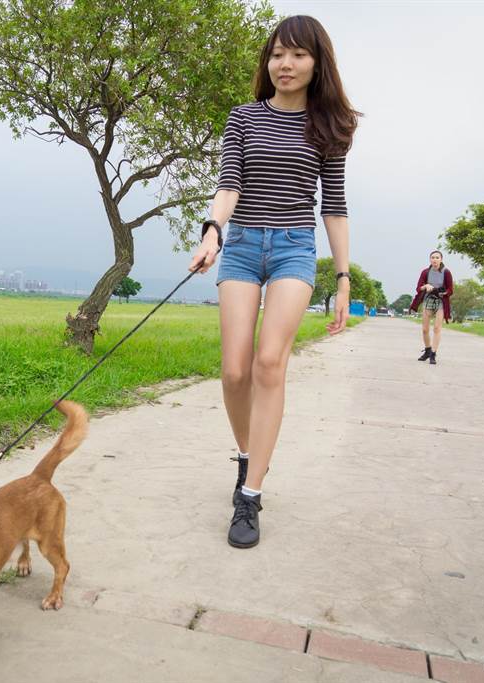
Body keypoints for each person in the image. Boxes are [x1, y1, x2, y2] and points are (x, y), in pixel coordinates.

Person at [188, 15, 357, 549]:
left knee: (268, 363)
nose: (285, 64)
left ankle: (250, 496)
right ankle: (246, 455)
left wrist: (344, 276)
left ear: (316, 62)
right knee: (235, 369)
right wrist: (213, 230)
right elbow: (229, 181)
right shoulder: (243, 118)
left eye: (298, 55)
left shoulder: (330, 126)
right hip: (240, 246)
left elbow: (334, 204)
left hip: (293, 248)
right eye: (277, 54)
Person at [409, 251, 453, 364]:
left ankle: (433, 353)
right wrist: (426, 286)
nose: (435, 260)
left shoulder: (446, 272)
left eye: (437, 257)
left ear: (441, 259)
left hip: (440, 301)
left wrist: (442, 293)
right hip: (428, 300)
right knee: (425, 329)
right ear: (430, 260)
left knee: (437, 328)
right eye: (432, 257)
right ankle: (427, 350)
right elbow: (418, 288)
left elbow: (450, 290)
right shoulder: (425, 272)